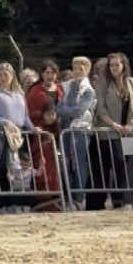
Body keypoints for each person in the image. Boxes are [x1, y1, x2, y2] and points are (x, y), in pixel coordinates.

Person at [91, 52, 133, 209]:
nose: (113, 68)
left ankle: (127, 200)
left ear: (123, 66)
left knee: (128, 166)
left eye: (116, 65)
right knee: (116, 163)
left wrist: (131, 124)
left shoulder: (132, 82)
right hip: (109, 131)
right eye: (111, 65)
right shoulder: (102, 82)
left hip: (128, 132)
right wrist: (114, 125)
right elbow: (100, 109)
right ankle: (117, 200)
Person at [0, 62, 35, 213]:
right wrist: (5, 121)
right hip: (2, 135)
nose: (3, 77)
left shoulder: (19, 94)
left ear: (12, 76)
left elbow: (25, 117)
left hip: (19, 135)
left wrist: (32, 128)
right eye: (0, 75)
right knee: (3, 170)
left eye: (6, 74)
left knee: (20, 170)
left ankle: (18, 204)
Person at [57, 56, 98, 208]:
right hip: (66, 129)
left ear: (87, 70)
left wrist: (64, 111)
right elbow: (59, 107)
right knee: (66, 163)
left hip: (80, 130)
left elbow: (79, 111)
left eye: (82, 68)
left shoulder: (88, 90)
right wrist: (65, 111)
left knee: (79, 164)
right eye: (75, 68)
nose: (78, 71)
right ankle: (68, 197)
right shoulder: (67, 86)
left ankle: (79, 197)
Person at [25, 60, 64, 208]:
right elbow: (30, 112)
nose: (50, 75)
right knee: (42, 166)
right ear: (42, 74)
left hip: (56, 132)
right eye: (47, 72)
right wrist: (44, 117)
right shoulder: (35, 90)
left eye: (53, 72)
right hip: (40, 134)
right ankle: (43, 202)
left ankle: (56, 201)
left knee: (56, 168)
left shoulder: (60, 89)